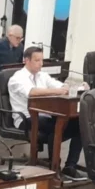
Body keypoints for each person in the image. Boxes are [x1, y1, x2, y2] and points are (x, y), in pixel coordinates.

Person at [8, 47, 88, 180]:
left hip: (46, 115)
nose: (41, 64)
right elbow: (32, 92)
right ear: (26, 60)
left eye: (42, 60)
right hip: (26, 118)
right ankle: (54, 167)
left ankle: (70, 166)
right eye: (37, 60)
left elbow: (59, 85)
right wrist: (57, 91)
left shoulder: (42, 75)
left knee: (79, 125)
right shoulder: (17, 78)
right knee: (56, 126)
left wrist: (71, 87)